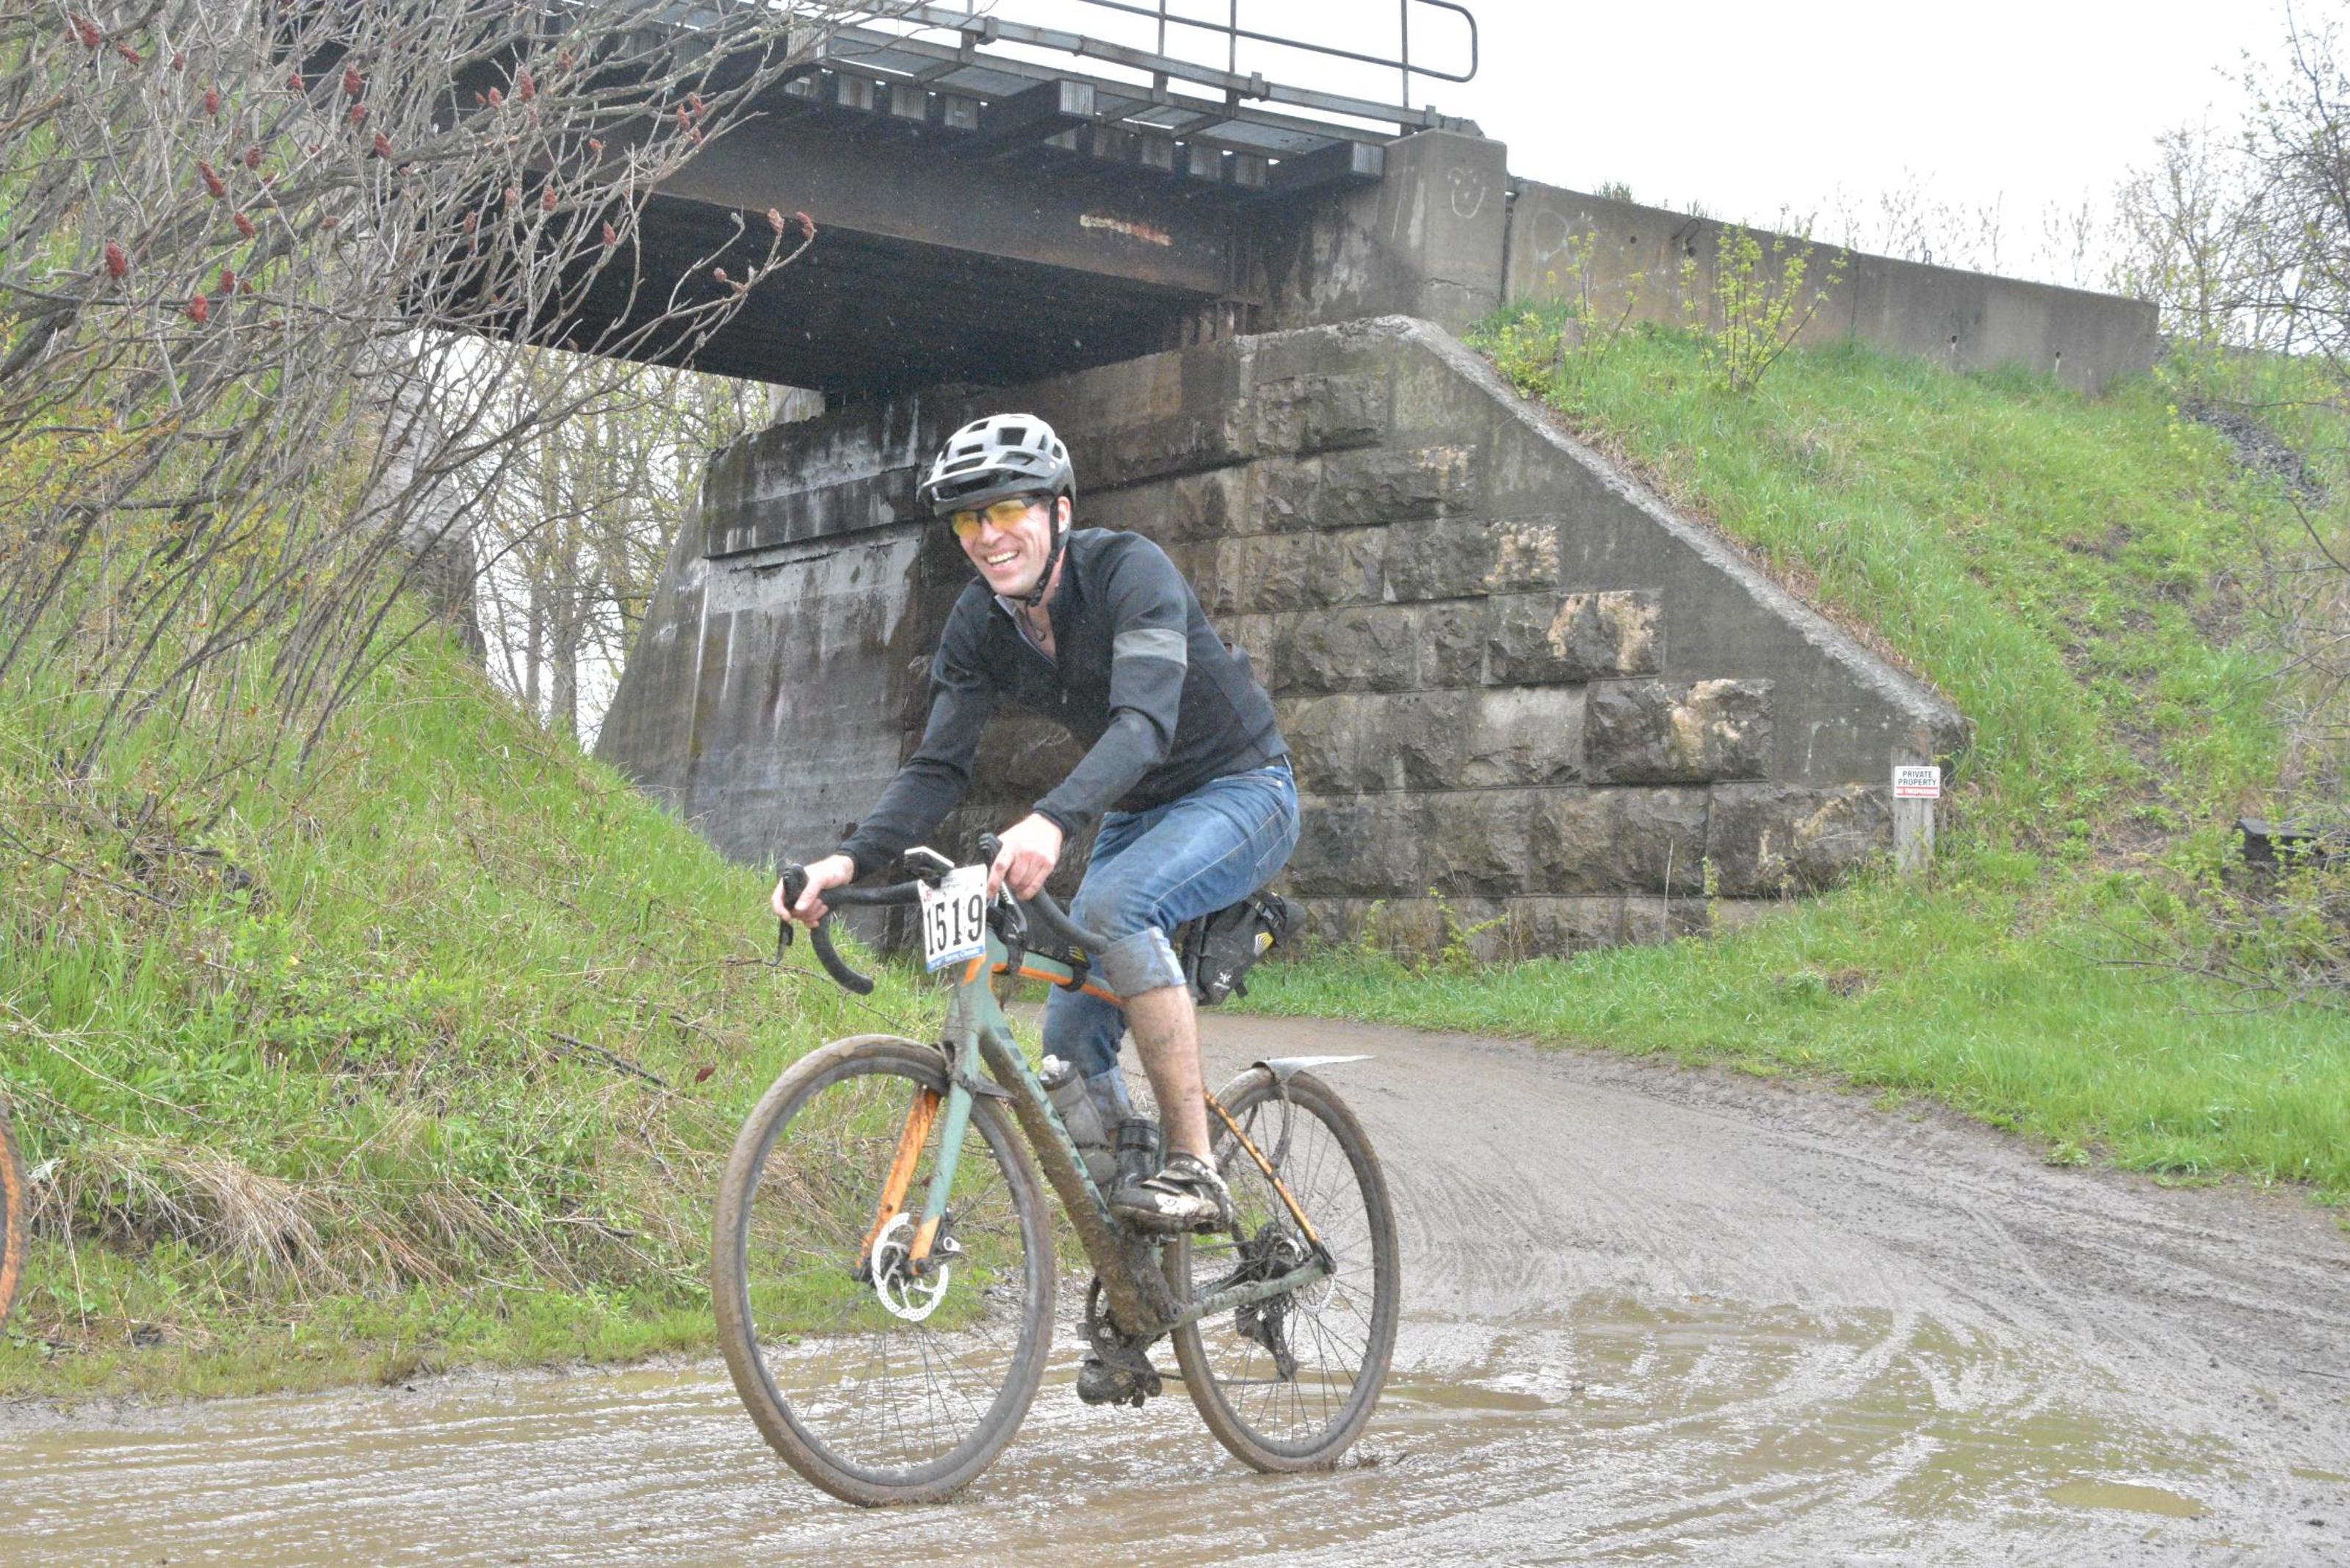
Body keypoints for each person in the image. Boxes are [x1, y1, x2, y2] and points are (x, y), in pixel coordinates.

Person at [774, 412, 1296, 1234]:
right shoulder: (979, 623)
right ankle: (1137, 1258)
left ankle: (1194, 1166)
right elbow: (937, 767)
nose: (988, 536)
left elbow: (1142, 726)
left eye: (1006, 509)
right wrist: (848, 862)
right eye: (968, 519)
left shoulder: (1131, 572)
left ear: (1058, 510)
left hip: (1242, 788)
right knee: (1065, 1044)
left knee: (1114, 906)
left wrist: (1051, 822)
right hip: (1136, 807)